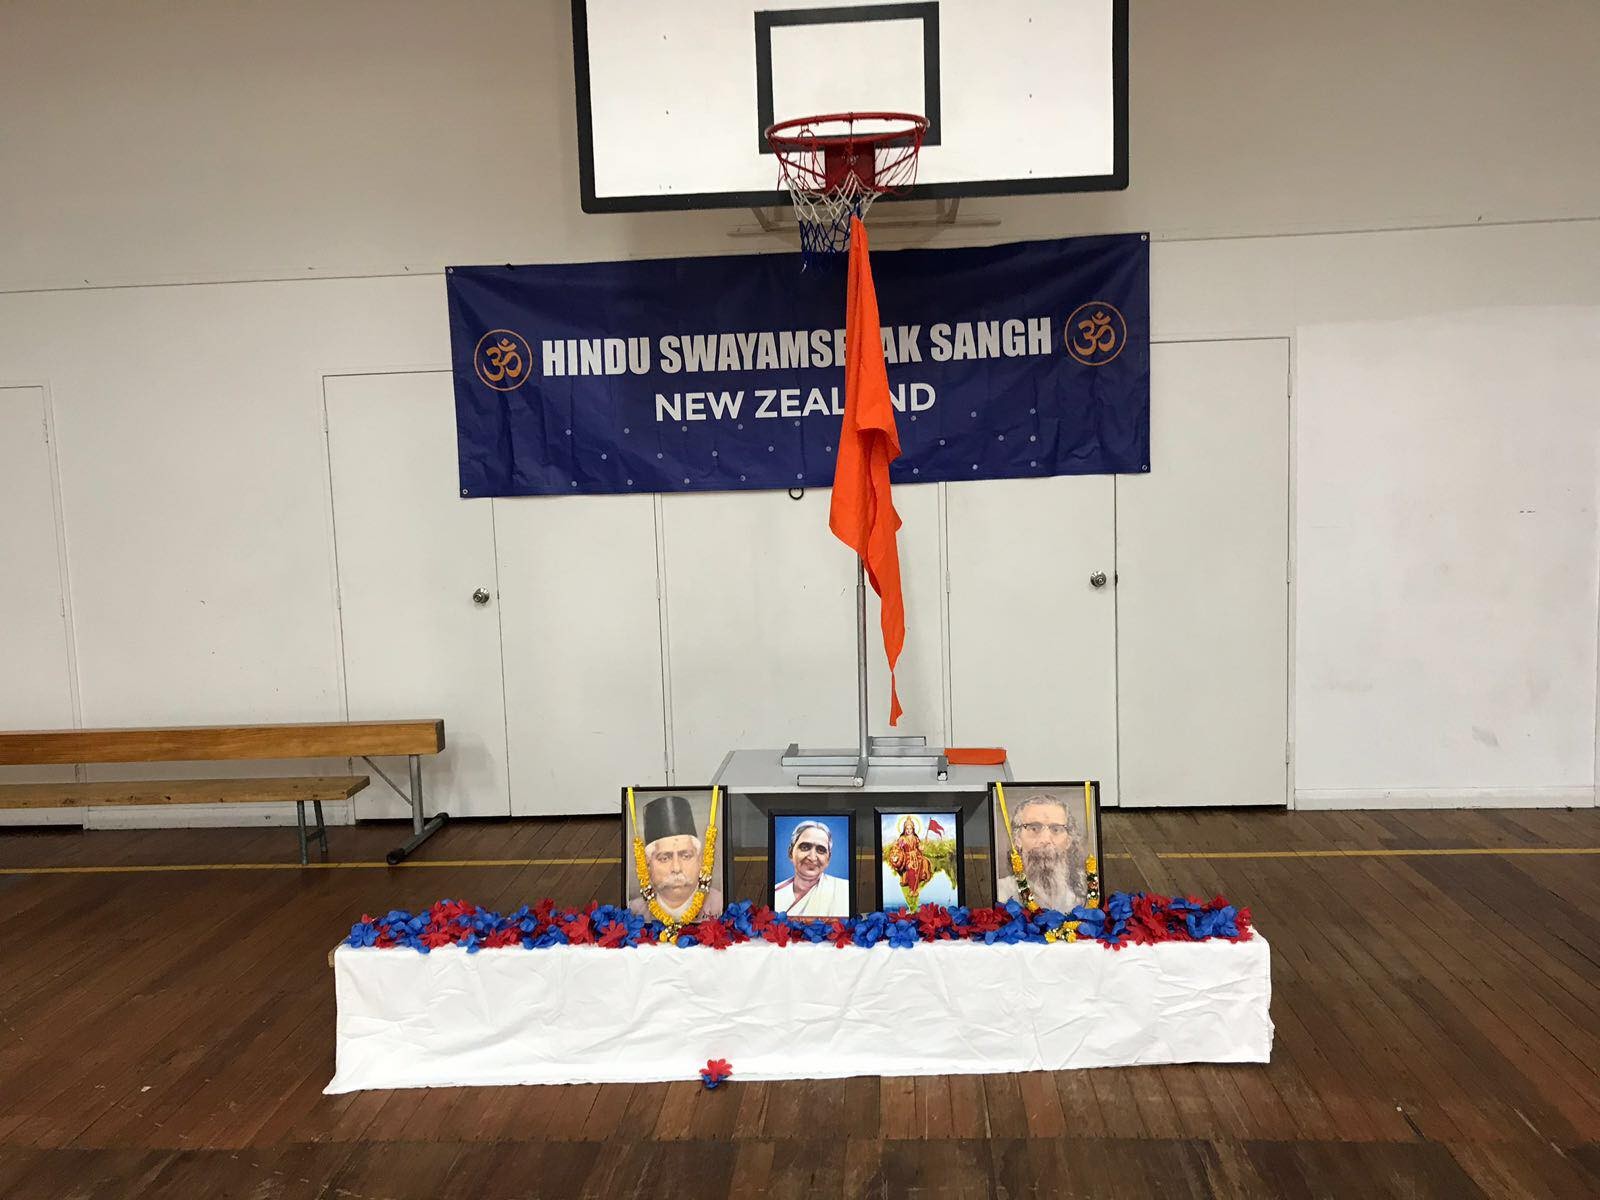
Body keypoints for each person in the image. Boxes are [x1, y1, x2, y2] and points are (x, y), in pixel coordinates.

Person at [628, 793, 722, 921]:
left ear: (700, 860)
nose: (676, 868)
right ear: (648, 864)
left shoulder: (721, 906)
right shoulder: (633, 912)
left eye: (686, 856)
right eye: (664, 858)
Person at [995, 793, 1086, 912]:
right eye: (1034, 828)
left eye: (1056, 829)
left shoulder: (1087, 889)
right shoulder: (1001, 893)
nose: (1045, 839)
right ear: (1017, 838)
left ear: (1069, 840)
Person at [772, 819, 851, 917]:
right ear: (790, 852)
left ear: (828, 859)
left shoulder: (845, 890)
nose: (812, 857)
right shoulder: (776, 893)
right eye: (805, 847)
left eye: (821, 850)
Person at [884, 814, 933, 912]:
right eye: (907, 828)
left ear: (913, 829)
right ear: (904, 829)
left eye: (910, 829)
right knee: (911, 868)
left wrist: (922, 847)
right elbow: (899, 847)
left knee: (923, 862)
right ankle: (911, 889)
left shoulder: (915, 838)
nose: (909, 830)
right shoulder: (902, 838)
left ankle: (922, 878)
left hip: (916, 856)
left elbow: (919, 847)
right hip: (907, 856)